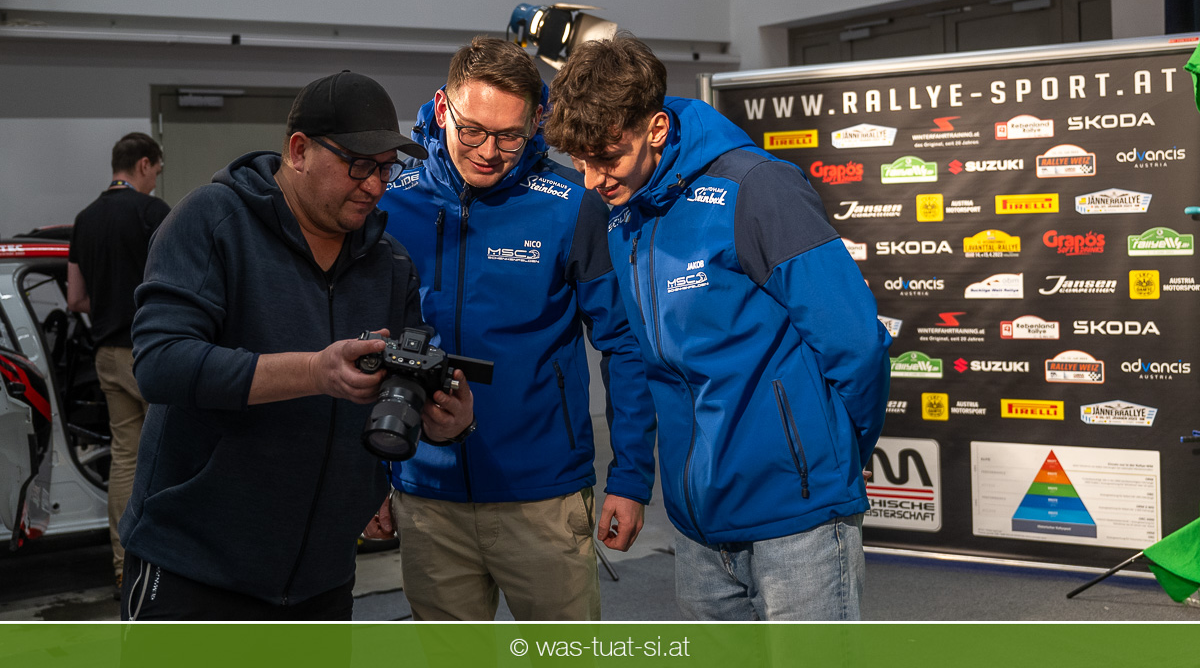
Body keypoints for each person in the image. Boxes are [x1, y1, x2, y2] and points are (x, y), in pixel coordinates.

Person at [545, 35, 891, 621]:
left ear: (656, 129)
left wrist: (829, 456)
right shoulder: (624, 212)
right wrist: (642, 480)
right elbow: (646, 361)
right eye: (580, 163)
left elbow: (856, 343)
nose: (592, 181)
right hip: (697, 521)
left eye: (606, 157)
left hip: (797, 513)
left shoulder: (758, 188)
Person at [118, 70, 475, 620]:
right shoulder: (213, 221)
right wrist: (314, 372)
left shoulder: (389, 263)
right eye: (359, 165)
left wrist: (446, 424)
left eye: (385, 168)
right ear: (300, 150)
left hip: (322, 579)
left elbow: (399, 387)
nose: (375, 186)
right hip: (195, 567)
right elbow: (161, 364)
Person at [370, 36, 656, 621]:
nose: (488, 152)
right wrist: (369, 475)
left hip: (544, 497)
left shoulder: (571, 205)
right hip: (427, 492)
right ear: (442, 107)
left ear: (537, 121)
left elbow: (623, 345)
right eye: (473, 130)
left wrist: (630, 477)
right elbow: (360, 346)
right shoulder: (390, 207)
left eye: (509, 137)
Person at [67, 131, 170, 599]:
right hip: (151, 354)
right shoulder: (152, 213)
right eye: (157, 172)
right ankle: (166, 572)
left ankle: (123, 569)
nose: (155, 182)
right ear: (144, 164)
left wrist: (109, 305)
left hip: (107, 356)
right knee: (171, 456)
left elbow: (75, 298)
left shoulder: (84, 219)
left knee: (125, 460)